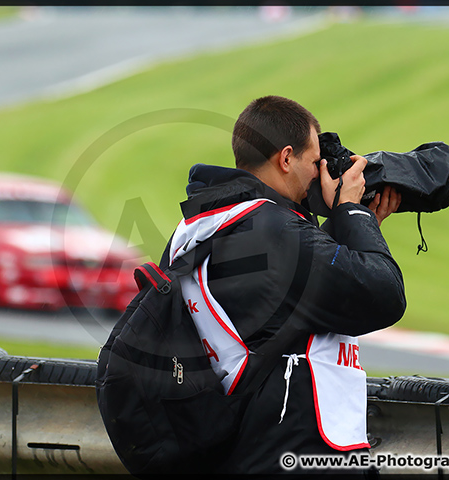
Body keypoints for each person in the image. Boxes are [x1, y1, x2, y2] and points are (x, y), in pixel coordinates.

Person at [159, 95, 405, 475]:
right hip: (294, 451)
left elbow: (290, 297)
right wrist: (353, 213)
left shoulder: (196, 228)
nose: (318, 174)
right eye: (313, 162)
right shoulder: (275, 230)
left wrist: (346, 227)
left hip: (230, 445)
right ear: (286, 158)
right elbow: (384, 295)